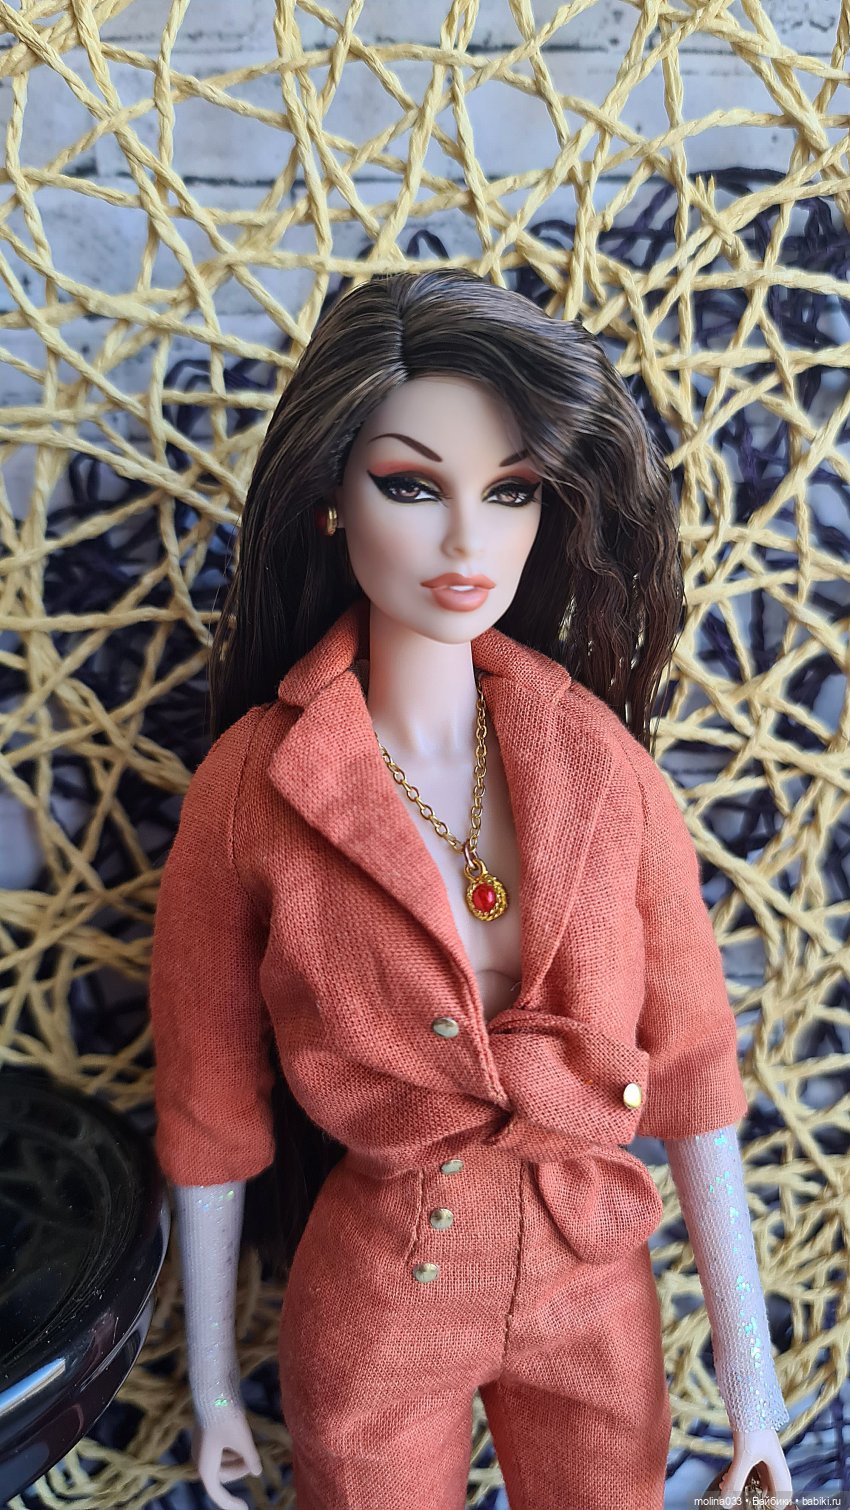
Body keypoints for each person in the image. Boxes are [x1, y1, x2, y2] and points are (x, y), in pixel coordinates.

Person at [148, 269, 793, 1510]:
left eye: (510, 491)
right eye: (411, 485)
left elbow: (696, 1070)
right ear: (330, 496)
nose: (465, 542)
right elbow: (210, 1101)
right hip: (382, 1294)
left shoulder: (599, 760)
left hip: (591, 1286)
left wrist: (750, 1380)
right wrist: (215, 1387)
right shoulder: (253, 788)